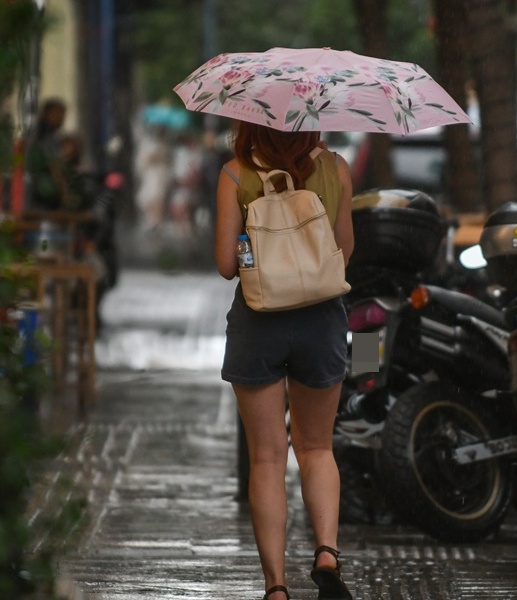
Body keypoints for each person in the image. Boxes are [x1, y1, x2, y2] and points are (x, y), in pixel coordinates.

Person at [215, 121, 355, 600]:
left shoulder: (235, 174)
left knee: (268, 458)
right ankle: (327, 553)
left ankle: (276, 586)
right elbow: (346, 250)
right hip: (321, 321)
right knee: (316, 448)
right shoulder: (336, 168)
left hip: (259, 322)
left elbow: (224, 264)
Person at [26, 98, 70, 210]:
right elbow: (55, 166)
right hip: (41, 195)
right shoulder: (45, 136)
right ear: (47, 113)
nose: (61, 119)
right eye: (58, 114)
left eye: (63, 115)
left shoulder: (34, 132)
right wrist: (64, 195)